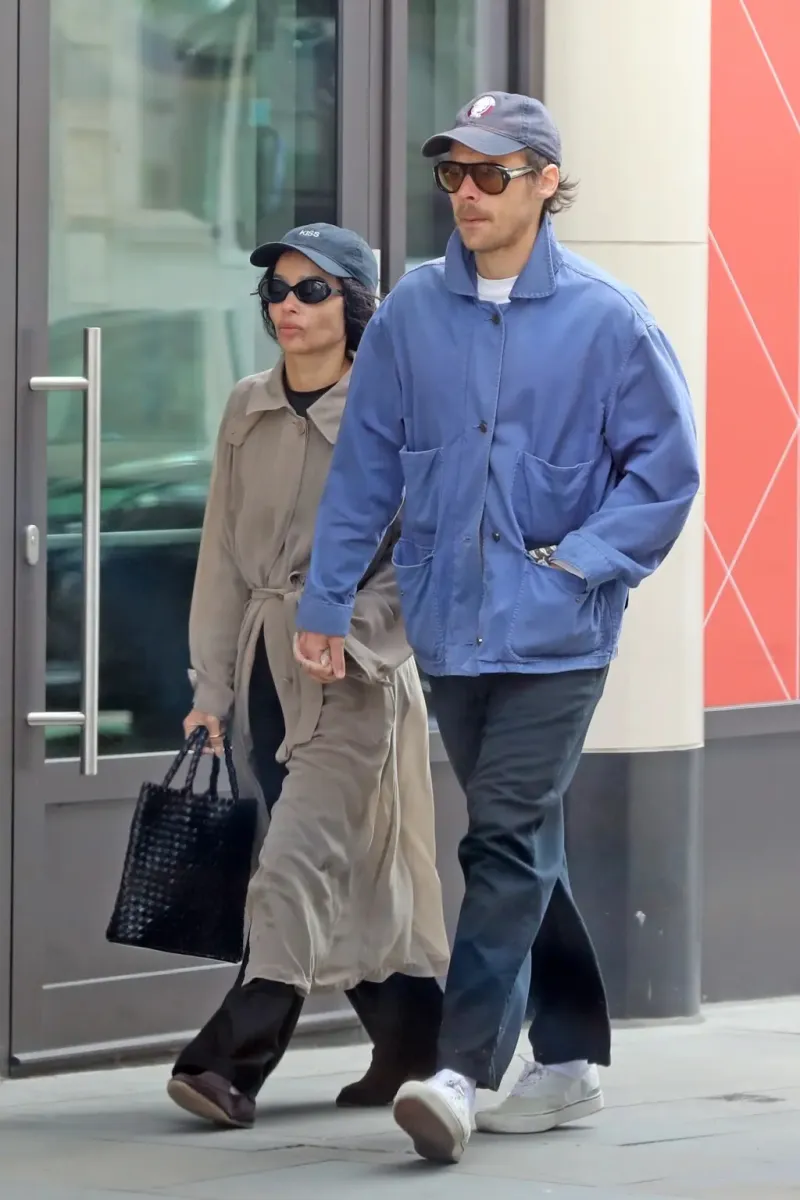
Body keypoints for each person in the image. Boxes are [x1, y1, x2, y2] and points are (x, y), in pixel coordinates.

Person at [295, 93, 700, 1163]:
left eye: (490, 173)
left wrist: (581, 564)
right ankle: (567, 1061)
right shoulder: (412, 315)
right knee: (519, 841)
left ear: (544, 183)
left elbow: (664, 472)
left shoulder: (610, 321)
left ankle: (458, 1071)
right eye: (452, 174)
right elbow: (366, 467)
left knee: (501, 835)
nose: (466, 193)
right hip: (450, 623)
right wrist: (324, 601)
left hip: (560, 634)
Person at [167, 222, 449, 1130]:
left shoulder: (395, 410)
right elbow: (220, 558)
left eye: (313, 290)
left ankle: (228, 1060)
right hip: (264, 665)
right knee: (347, 862)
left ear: (356, 304)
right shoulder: (246, 406)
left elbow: (426, 555)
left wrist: (356, 636)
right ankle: (414, 1043)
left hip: (354, 674)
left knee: (294, 858)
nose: (288, 306)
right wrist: (212, 689)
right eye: (277, 291)